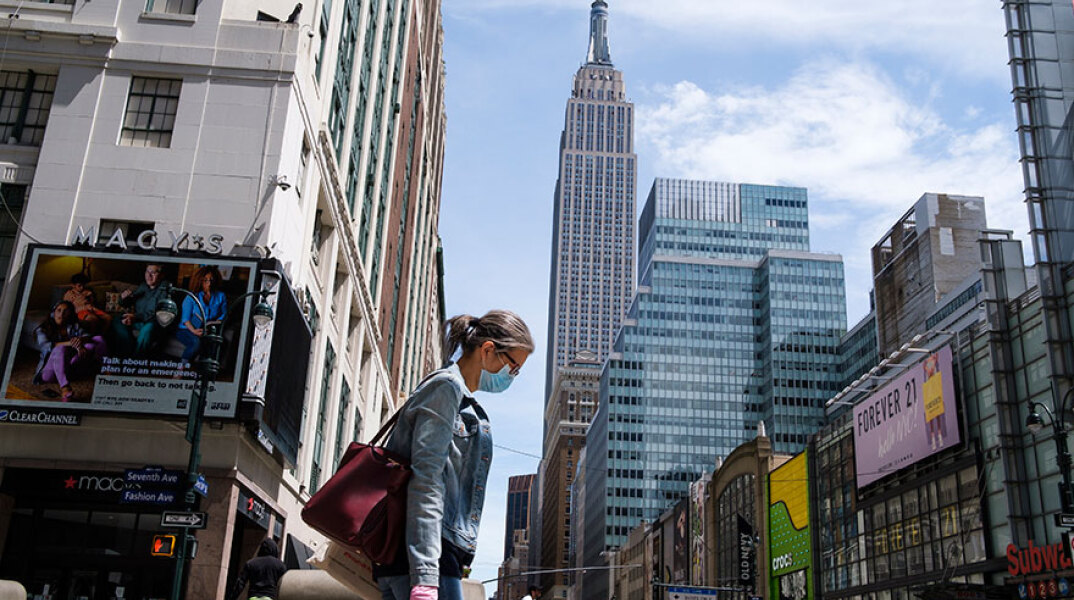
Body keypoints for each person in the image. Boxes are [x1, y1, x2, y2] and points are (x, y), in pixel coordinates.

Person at [374, 310, 535, 600]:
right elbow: (427, 480)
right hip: (423, 559)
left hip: (425, 556)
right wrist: (425, 577)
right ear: (488, 351)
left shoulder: (461, 398)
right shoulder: (446, 387)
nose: (513, 377)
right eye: (513, 368)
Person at [32, 300, 107, 402]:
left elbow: (87, 336)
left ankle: (106, 370)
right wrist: (70, 343)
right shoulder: (42, 329)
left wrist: (80, 341)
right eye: (59, 310)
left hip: (69, 367)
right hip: (49, 373)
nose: (61, 314)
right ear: (53, 312)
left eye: (65, 311)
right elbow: (46, 346)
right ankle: (65, 388)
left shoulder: (73, 326)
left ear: (70, 314)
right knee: (60, 348)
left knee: (98, 339)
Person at [111, 263, 170, 357]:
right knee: (117, 320)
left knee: (148, 327)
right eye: (147, 271)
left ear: (161, 275)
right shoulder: (143, 286)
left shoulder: (164, 289)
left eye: (153, 272)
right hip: (139, 320)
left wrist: (134, 317)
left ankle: (136, 358)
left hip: (154, 324)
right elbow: (129, 302)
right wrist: (123, 298)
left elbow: (156, 313)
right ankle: (127, 353)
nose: (149, 276)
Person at [175, 265, 227, 362]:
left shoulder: (221, 296)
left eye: (211, 280)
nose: (209, 283)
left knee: (213, 343)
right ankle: (180, 370)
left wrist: (217, 322)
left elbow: (224, 314)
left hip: (208, 329)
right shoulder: (191, 296)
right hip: (186, 329)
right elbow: (185, 319)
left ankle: (203, 372)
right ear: (199, 281)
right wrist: (194, 331)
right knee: (195, 342)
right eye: (205, 280)